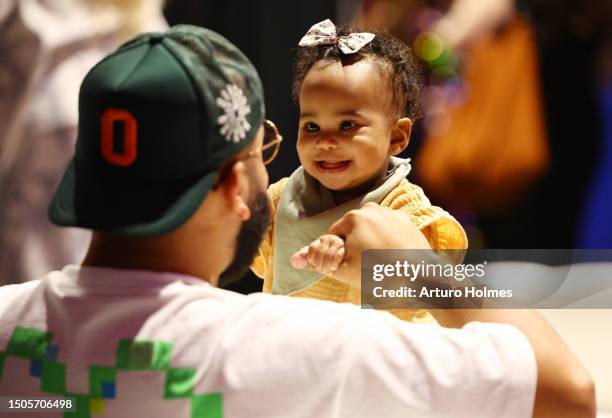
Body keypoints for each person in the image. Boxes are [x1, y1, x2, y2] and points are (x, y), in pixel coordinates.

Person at [0, 25, 594, 418]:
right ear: (238, 183)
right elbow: (568, 393)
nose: (322, 145)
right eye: (295, 132)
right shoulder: (315, 353)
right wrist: (416, 270)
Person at [250, 19, 467, 323]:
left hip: (374, 360)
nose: (325, 141)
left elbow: (420, 297)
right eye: (312, 126)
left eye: (347, 125)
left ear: (397, 137)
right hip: (293, 355)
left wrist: (362, 258)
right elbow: (256, 259)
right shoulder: (281, 197)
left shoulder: (404, 211)